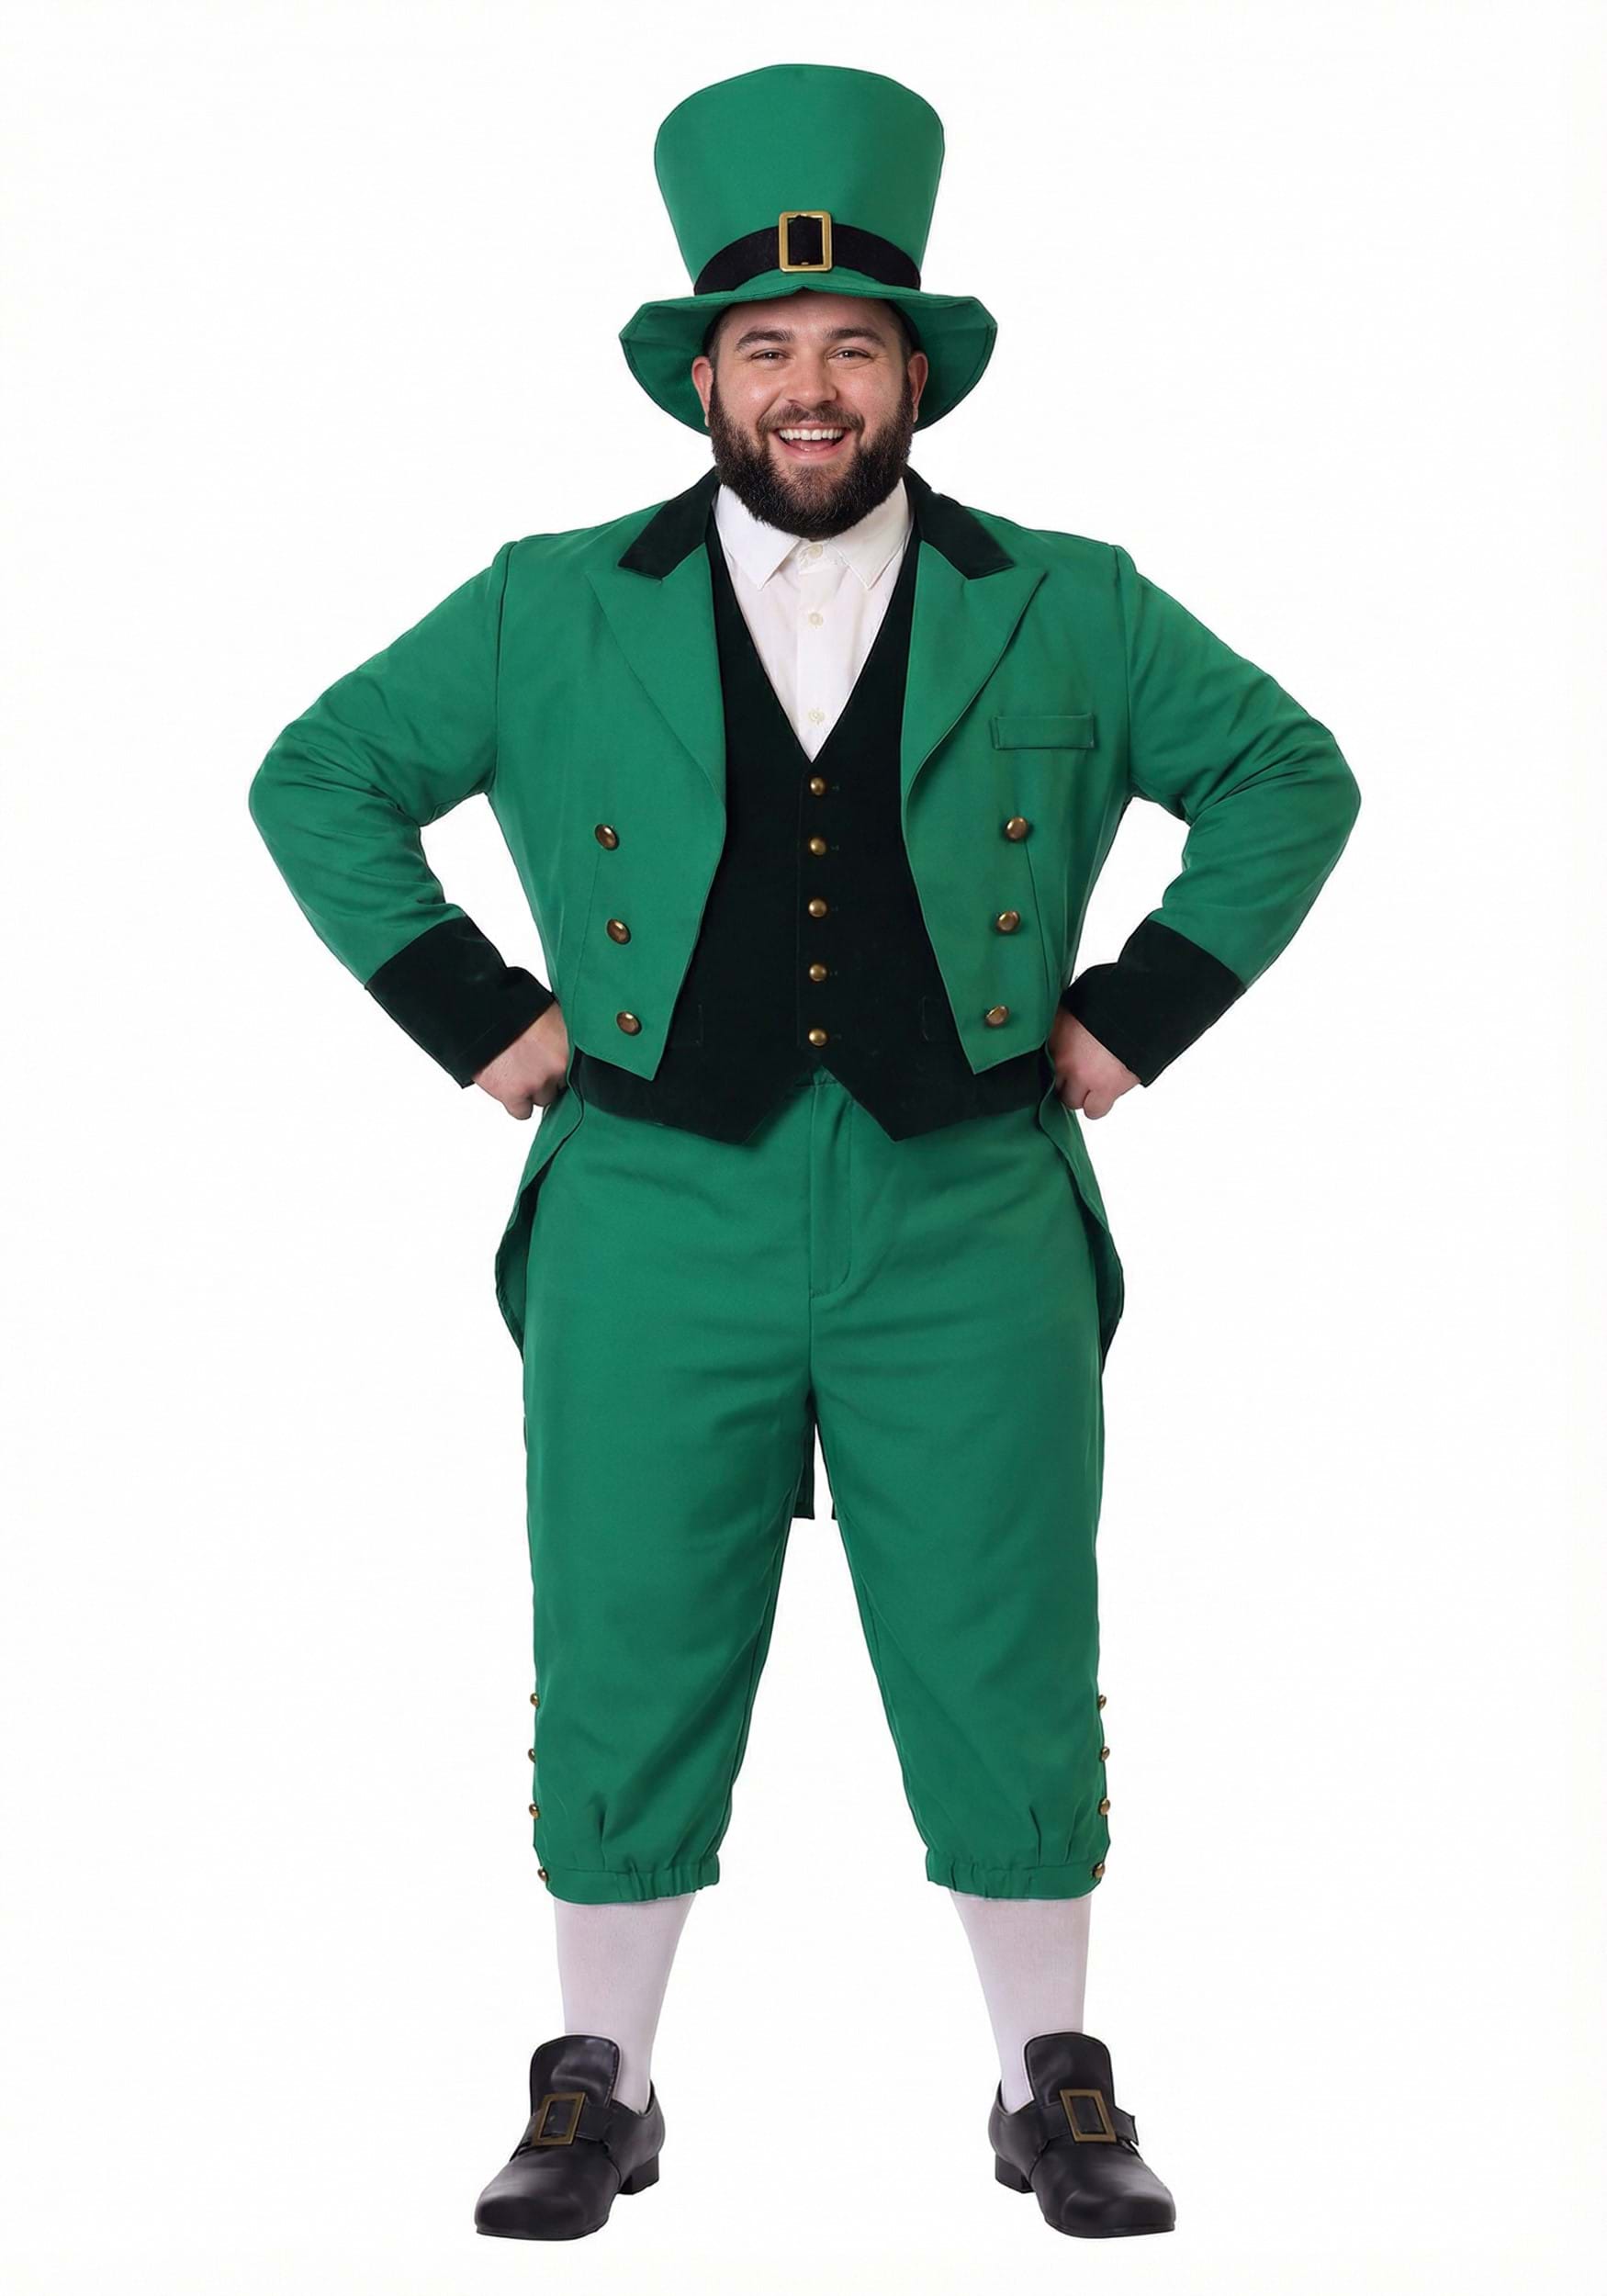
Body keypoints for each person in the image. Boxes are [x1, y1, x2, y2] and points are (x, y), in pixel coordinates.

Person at [248, 61, 1360, 2244]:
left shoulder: (1070, 595)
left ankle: (1047, 2076)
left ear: (914, 374)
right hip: (652, 1200)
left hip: (970, 1202)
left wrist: (1133, 1013)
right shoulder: (549, 598)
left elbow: (1287, 775)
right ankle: (598, 2077)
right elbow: (319, 774)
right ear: (705, 377)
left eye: (854, 345)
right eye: (766, 349)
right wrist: (479, 1015)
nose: (812, 387)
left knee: (1003, 1630)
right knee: (627, 1624)